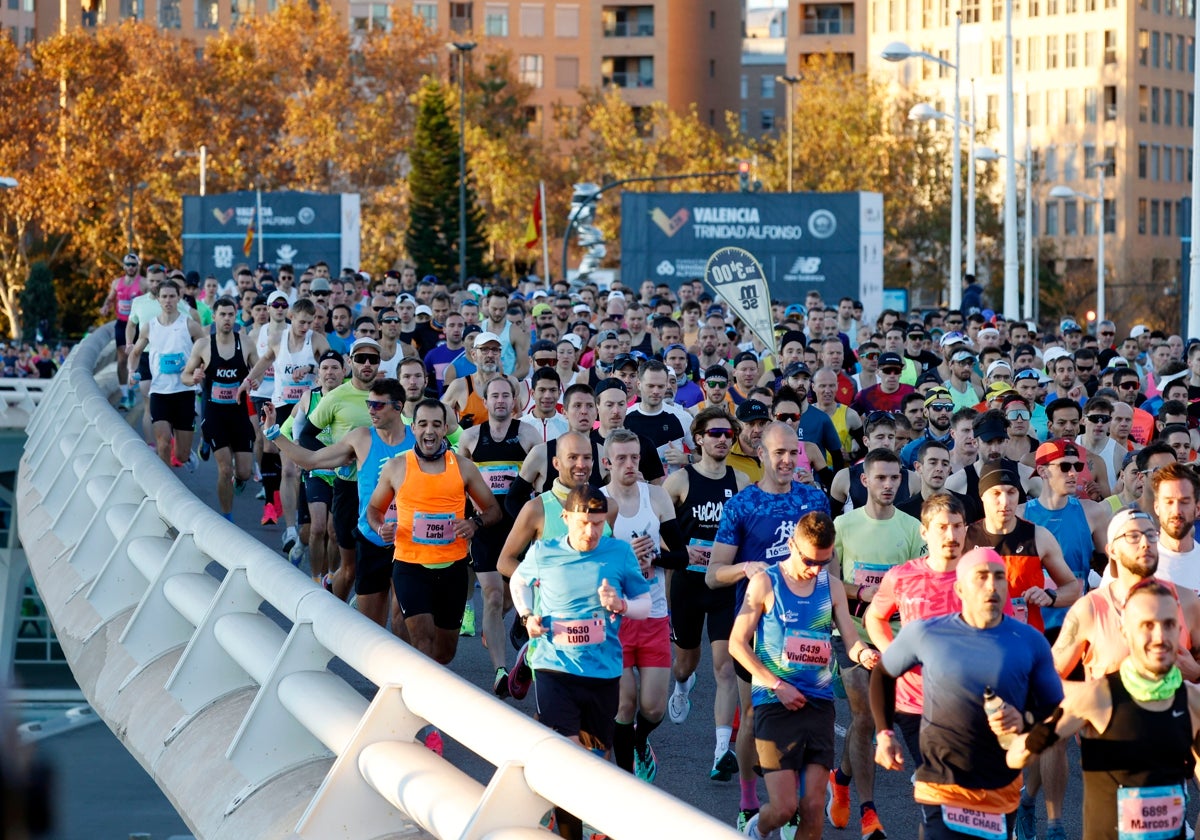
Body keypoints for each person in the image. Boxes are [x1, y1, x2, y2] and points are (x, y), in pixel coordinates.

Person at [871, 547, 1065, 840]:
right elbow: (884, 673)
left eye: (1000, 577)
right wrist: (885, 734)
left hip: (1001, 785)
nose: (992, 585)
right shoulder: (927, 633)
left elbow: (1054, 708)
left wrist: (1024, 719)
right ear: (960, 589)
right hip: (942, 782)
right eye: (981, 577)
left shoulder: (1029, 641)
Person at [706, 421, 831, 831]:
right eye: (778, 453)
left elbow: (828, 562)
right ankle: (747, 799)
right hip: (757, 623)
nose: (786, 461)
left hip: (805, 628)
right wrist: (745, 567)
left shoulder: (813, 499)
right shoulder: (743, 505)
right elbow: (713, 574)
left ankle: (791, 805)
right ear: (760, 453)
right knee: (753, 712)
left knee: (804, 711)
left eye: (793, 453)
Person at [508, 484, 651, 840]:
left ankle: (577, 816)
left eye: (599, 524)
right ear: (566, 518)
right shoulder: (543, 551)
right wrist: (527, 616)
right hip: (555, 666)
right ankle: (572, 832)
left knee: (595, 757)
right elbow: (519, 582)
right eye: (584, 523)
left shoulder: (618, 553)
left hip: (603, 670)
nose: (591, 532)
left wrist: (620, 606)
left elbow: (644, 605)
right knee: (570, 757)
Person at [1007, 579, 1200, 840]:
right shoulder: (1098, 697)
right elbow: (1017, 756)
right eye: (1147, 626)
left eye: (1169, 625)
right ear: (1125, 630)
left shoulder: (1191, 701)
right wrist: (1021, 735)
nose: (1160, 637)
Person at [729, 511, 880, 840]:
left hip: (818, 704)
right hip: (775, 702)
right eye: (810, 560)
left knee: (812, 807)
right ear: (791, 545)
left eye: (823, 563)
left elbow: (850, 639)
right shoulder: (766, 582)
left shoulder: (832, 586)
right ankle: (758, 828)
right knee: (784, 808)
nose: (815, 569)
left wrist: (863, 653)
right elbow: (737, 644)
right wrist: (777, 685)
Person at [828, 448, 926, 840]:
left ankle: (842, 777)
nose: (888, 485)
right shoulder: (843, 526)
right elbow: (832, 585)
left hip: (899, 637)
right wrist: (868, 594)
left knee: (879, 721)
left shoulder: (912, 528)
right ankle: (869, 813)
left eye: (894, 479)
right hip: (851, 634)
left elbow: (919, 583)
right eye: (880, 478)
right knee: (866, 718)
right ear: (864, 481)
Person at [265, 377, 413, 630]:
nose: (371, 410)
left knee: (401, 618)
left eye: (378, 406)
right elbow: (311, 460)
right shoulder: (361, 438)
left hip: (409, 540)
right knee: (371, 627)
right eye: (369, 404)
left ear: (398, 407)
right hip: (372, 539)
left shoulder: (418, 437)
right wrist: (274, 434)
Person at [368, 398, 501, 664]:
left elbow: (493, 510)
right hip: (410, 566)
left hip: (452, 569)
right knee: (422, 640)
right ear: (413, 428)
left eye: (436, 425)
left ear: (444, 429)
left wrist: (474, 523)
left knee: (444, 652)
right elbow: (374, 508)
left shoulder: (463, 467)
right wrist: (381, 527)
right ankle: (421, 702)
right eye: (423, 424)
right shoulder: (397, 467)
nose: (429, 431)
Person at [662, 406, 751, 781]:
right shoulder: (679, 482)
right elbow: (657, 535)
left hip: (724, 587)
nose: (721, 439)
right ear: (698, 438)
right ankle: (682, 685)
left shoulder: (742, 480)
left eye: (727, 434)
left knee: (725, 665)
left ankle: (720, 752)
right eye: (714, 433)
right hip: (687, 584)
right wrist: (682, 555)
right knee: (686, 663)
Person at [601, 429, 687, 782]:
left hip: (653, 613)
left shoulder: (657, 498)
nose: (629, 464)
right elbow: (588, 560)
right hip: (614, 618)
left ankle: (639, 742)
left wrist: (655, 555)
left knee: (652, 708)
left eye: (634, 457)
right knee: (624, 704)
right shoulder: (601, 502)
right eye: (621, 458)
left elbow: (680, 556)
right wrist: (626, 560)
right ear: (607, 463)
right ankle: (625, 784)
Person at [455, 377, 541, 696]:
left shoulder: (528, 434)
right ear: (485, 401)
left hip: (519, 528)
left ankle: (497, 624)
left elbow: (543, 477)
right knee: (491, 596)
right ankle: (501, 671)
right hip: (484, 525)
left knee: (508, 599)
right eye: (495, 396)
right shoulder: (471, 438)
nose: (501, 400)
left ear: (515, 400)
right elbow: (458, 483)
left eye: (506, 395)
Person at [965, 462, 1082, 631]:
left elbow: (1072, 588)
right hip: (979, 643)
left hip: (1026, 643)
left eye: (1011, 492)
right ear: (982, 495)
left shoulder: (1039, 536)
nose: (1005, 501)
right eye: (996, 493)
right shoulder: (966, 537)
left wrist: (1050, 596)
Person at [181, 296, 258, 521]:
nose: (226, 319)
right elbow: (185, 376)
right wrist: (194, 377)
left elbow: (259, 370)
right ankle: (227, 518)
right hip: (214, 414)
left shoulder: (246, 343)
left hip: (239, 414)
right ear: (213, 317)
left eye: (230, 315)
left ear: (235, 317)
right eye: (222, 314)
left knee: (244, 472)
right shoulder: (203, 345)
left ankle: (240, 479)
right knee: (224, 469)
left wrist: (255, 382)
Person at [126, 279, 207, 469]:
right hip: (160, 392)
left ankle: (186, 456)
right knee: (162, 443)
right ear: (158, 300)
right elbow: (136, 352)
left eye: (172, 296)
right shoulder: (149, 326)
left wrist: (199, 369)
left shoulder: (189, 325)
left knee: (181, 453)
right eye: (164, 297)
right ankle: (165, 488)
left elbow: (207, 349)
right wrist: (131, 371)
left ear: (178, 298)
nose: (168, 300)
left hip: (184, 391)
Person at [101, 253, 143, 410]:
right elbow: (111, 299)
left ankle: (132, 390)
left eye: (134, 264)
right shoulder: (117, 283)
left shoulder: (143, 284)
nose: (131, 267)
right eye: (128, 264)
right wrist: (106, 307)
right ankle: (125, 394)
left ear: (137, 266)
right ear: (124, 266)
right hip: (122, 324)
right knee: (122, 359)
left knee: (135, 357)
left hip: (137, 324)